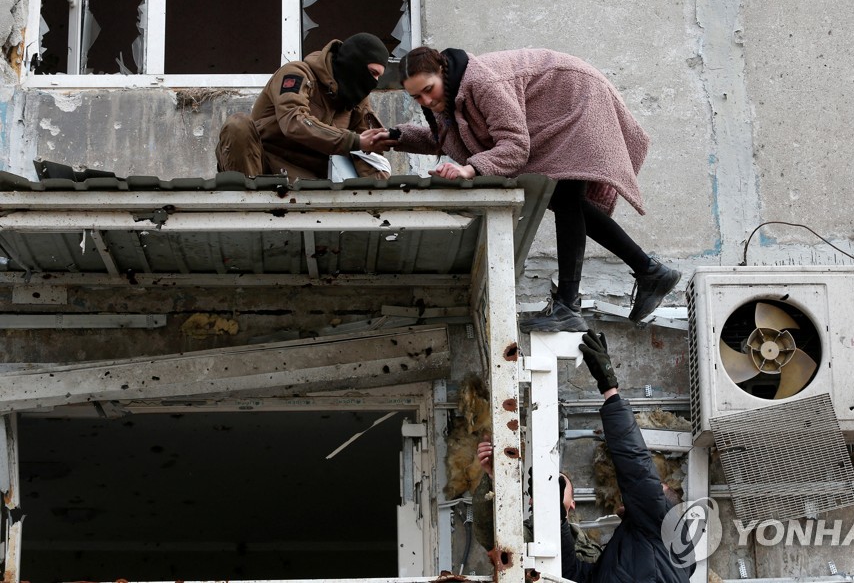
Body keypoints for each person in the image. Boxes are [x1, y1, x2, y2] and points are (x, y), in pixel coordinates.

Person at [394, 46, 681, 330]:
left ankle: (571, 305)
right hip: (561, 102)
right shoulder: (453, 94)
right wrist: (395, 136)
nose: (426, 100)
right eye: (416, 96)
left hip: (577, 97)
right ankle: (648, 271)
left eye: (428, 89)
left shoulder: (481, 83)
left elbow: (515, 146)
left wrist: (469, 168)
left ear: (443, 71)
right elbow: (443, 138)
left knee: (565, 195)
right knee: (562, 198)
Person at [563, 329, 691, 582]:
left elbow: (575, 576)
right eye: (656, 487)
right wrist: (609, 389)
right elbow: (636, 468)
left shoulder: (648, 537)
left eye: (655, 487)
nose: (650, 487)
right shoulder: (654, 532)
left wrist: (558, 520)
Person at [216, 33, 397, 181]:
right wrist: (353, 141)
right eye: (372, 73)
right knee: (237, 125)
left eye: (378, 77)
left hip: (312, 185)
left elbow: (366, 153)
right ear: (353, 62)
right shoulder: (297, 74)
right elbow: (294, 122)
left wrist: (379, 197)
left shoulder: (357, 99)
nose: (373, 82)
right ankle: (247, 207)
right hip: (264, 167)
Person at [473, 440, 602, 564]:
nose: (551, 492)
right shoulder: (518, 533)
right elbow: (488, 530)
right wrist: (495, 477)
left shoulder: (590, 550)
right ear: (531, 501)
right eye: (544, 488)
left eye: (559, 485)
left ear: (573, 503)